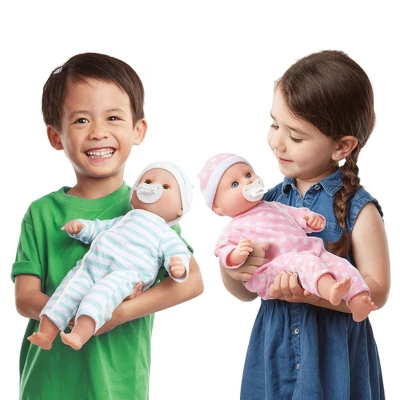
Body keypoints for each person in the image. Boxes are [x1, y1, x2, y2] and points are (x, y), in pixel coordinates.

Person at [11, 52, 203, 400]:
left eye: (113, 117)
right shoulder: (41, 213)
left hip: (117, 386)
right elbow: (25, 299)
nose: (98, 132)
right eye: (81, 120)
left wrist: (115, 313)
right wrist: (75, 313)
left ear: (137, 130)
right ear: (56, 136)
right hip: (46, 385)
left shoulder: (152, 211)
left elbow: (190, 282)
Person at [218, 50, 390, 399]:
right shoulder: (263, 204)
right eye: (274, 124)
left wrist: (313, 294)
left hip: (335, 359)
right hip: (274, 354)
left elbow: (378, 291)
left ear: (341, 146)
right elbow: (245, 291)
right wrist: (233, 266)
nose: (277, 142)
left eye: (295, 137)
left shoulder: (359, 209)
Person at [28, 161, 193, 351]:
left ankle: (79, 334)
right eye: (147, 181)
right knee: (68, 289)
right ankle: (46, 333)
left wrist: (178, 266)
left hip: (125, 275)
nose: (153, 187)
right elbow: (100, 227)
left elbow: (178, 252)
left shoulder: (166, 233)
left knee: (100, 296)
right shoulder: (125, 219)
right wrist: (81, 227)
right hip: (93, 264)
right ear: (133, 196)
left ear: (180, 209)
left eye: (165, 187)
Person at [199, 152, 377, 322]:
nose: (248, 181)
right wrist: (235, 256)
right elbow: (222, 250)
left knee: (341, 265)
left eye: (248, 174)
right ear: (217, 207)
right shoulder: (234, 229)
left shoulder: (274, 205)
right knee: (307, 263)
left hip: (309, 251)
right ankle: (331, 290)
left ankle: (357, 299)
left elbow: (298, 215)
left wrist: (311, 220)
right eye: (235, 184)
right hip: (272, 270)